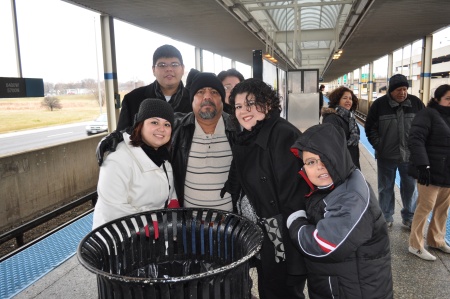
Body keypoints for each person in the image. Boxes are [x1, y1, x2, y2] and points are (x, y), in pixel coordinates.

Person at [224, 78, 308, 299]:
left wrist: (284, 242)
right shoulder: (248, 136)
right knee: (268, 285)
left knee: (282, 289)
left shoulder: (283, 134)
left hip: (277, 230)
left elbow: (293, 195)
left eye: (251, 103)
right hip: (261, 230)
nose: (244, 111)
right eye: (239, 106)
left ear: (268, 104)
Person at [287, 123, 393, 299]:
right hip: (340, 284)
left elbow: (324, 245)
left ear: (338, 156)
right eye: (311, 162)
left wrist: (295, 222)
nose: (319, 167)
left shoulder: (351, 197)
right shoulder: (340, 181)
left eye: (325, 158)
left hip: (353, 291)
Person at [92, 99, 179, 229]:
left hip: (152, 237)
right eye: (154, 122)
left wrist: (173, 208)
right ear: (140, 125)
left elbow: (169, 190)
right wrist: (151, 227)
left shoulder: (162, 157)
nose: (161, 129)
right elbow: (113, 209)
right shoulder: (117, 159)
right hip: (119, 239)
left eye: (167, 124)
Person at [171, 72, 238, 210]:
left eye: (214, 92)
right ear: (192, 100)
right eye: (200, 92)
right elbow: (142, 128)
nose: (207, 96)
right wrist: (118, 137)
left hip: (232, 224)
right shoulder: (176, 128)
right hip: (190, 224)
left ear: (222, 99)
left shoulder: (238, 128)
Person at [365, 74, 425, 228]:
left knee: (410, 188)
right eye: (399, 89)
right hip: (386, 156)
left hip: (410, 156)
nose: (402, 92)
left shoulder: (416, 103)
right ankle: (386, 216)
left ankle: (409, 217)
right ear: (391, 90)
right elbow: (370, 127)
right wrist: (379, 145)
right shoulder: (379, 105)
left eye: (405, 89)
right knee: (385, 187)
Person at [407, 84, 450, 261]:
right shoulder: (427, 114)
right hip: (430, 170)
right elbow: (416, 139)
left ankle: (436, 240)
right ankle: (415, 245)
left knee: (442, 208)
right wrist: (423, 165)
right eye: (448, 98)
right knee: (425, 207)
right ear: (437, 98)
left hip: (447, 171)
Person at [116, 44, 192, 131]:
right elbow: (122, 136)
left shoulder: (194, 100)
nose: (169, 69)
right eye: (162, 65)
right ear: (153, 70)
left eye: (174, 64)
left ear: (182, 69)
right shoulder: (132, 100)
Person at [321, 86, 360, 169]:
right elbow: (332, 145)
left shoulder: (350, 118)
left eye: (350, 98)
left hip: (352, 161)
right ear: (337, 100)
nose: (348, 101)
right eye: (345, 98)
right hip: (341, 165)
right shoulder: (331, 118)